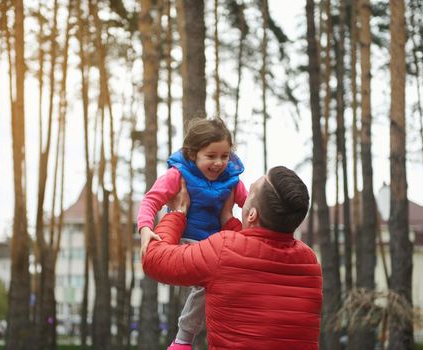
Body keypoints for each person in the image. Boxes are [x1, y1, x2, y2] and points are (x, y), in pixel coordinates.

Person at [143, 166, 323, 350]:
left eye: (248, 194)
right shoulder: (309, 261)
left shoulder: (223, 249)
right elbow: (255, 259)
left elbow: (154, 260)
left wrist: (177, 213)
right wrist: (228, 220)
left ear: (252, 214)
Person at [137, 117, 248, 349]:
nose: (219, 163)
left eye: (225, 156)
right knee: (207, 281)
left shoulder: (232, 180)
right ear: (192, 154)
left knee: (216, 282)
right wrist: (145, 228)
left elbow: (249, 207)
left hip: (211, 245)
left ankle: (187, 339)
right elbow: (151, 199)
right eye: (211, 156)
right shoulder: (177, 175)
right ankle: (183, 339)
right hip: (183, 240)